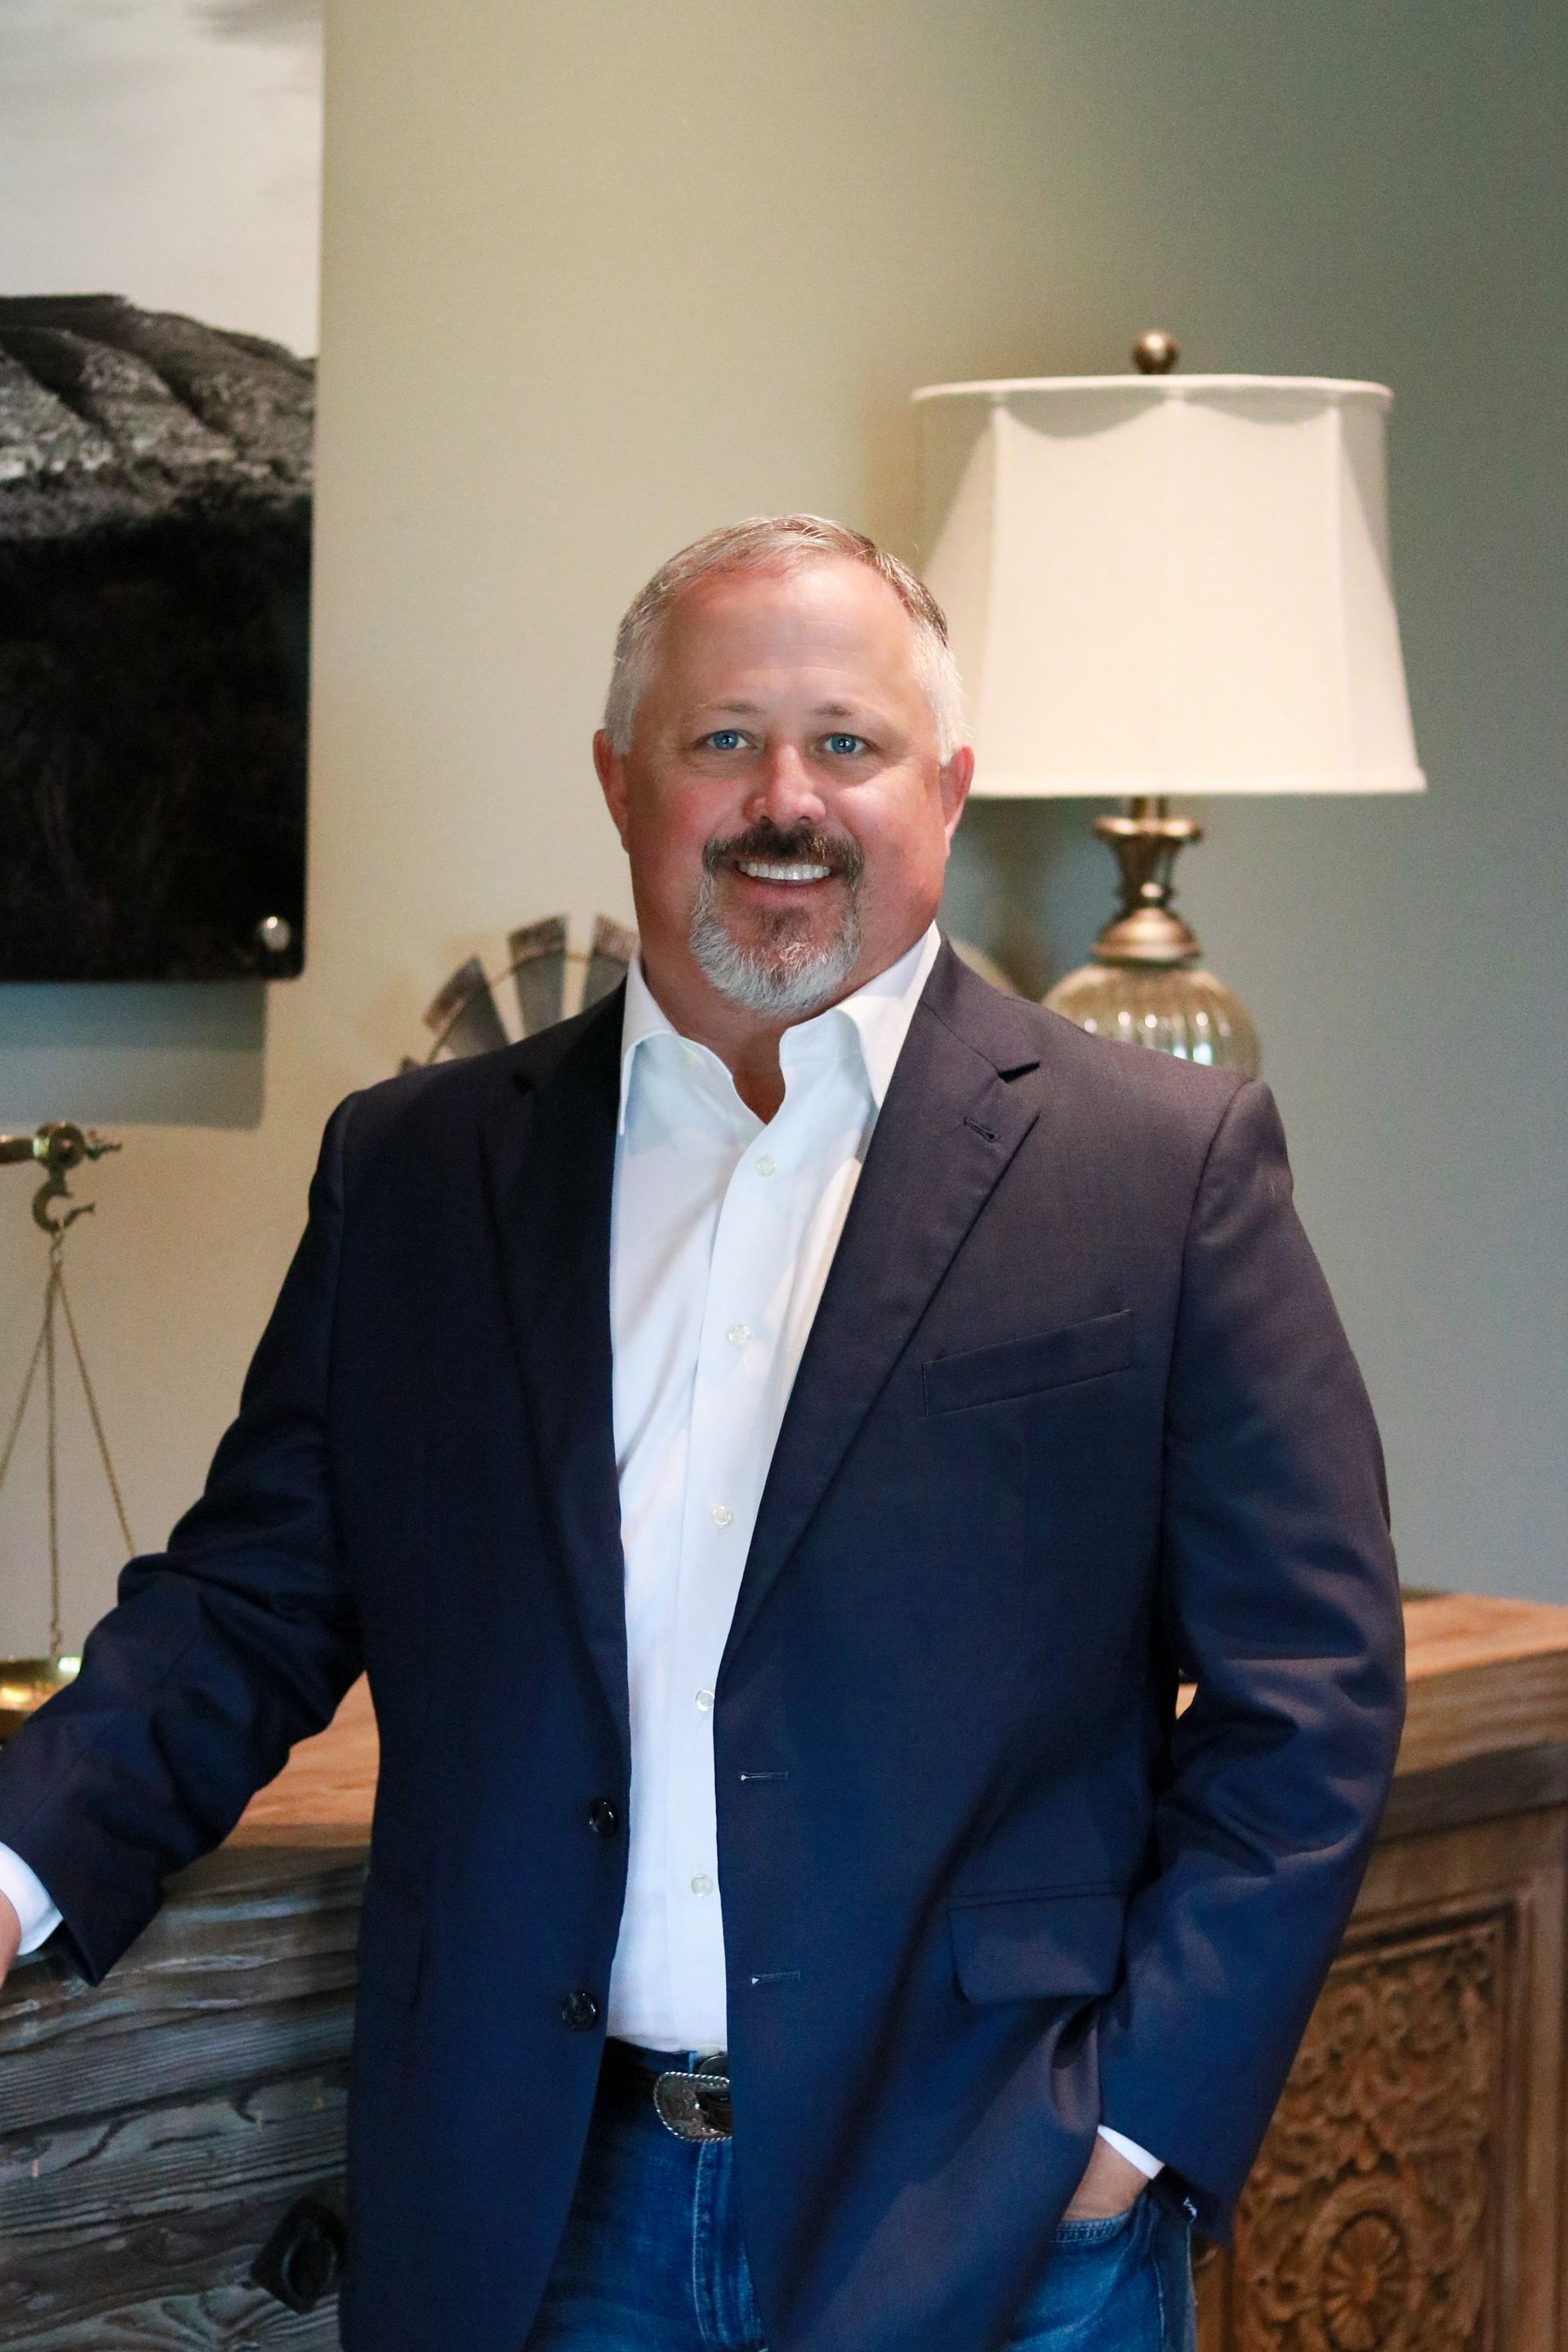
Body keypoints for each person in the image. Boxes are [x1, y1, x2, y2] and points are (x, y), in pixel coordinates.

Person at [0, 515, 1405, 2352]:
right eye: (722, 739)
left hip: (990, 2208)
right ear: (620, 780)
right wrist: (20, 1864)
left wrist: (1132, 2126)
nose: (785, 801)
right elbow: (254, 1596)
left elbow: (1314, 1687)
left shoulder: (1161, 1165)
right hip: (537, 2212)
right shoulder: (419, 1170)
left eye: (849, 743)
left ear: (951, 786)